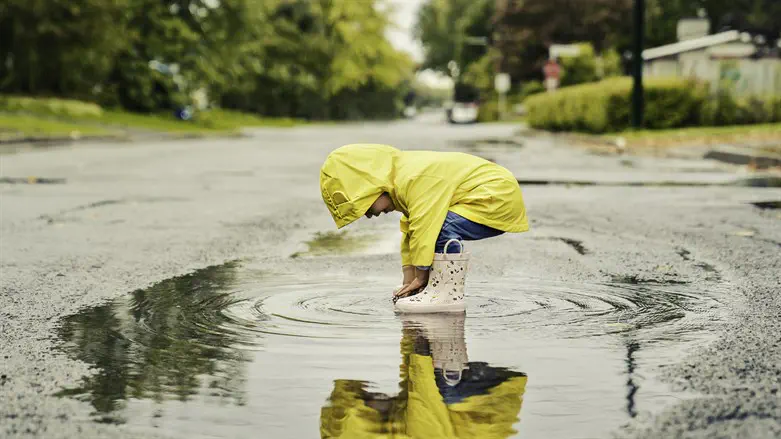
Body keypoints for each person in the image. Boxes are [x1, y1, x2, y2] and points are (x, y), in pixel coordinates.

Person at [320, 144, 528, 313]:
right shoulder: (399, 181)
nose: (367, 215)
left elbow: (425, 226)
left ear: (370, 186)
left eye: (364, 207)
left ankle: (446, 293)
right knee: (427, 228)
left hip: (496, 196)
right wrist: (409, 279)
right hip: (486, 195)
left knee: (438, 227)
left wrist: (421, 277)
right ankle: (435, 288)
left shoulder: (411, 178)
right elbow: (411, 231)